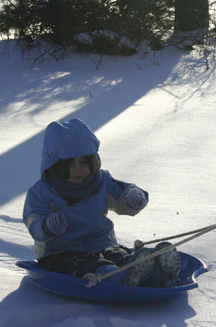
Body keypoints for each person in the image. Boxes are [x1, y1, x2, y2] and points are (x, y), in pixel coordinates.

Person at [22, 118, 180, 287]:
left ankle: (153, 274)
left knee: (119, 255)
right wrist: (47, 226)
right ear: (54, 164)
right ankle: (120, 279)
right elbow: (33, 220)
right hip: (61, 252)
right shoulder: (42, 192)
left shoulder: (100, 181)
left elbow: (120, 194)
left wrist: (132, 197)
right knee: (91, 266)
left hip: (103, 244)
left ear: (93, 160)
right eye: (69, 164)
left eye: (84, 162)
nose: (78, 169)